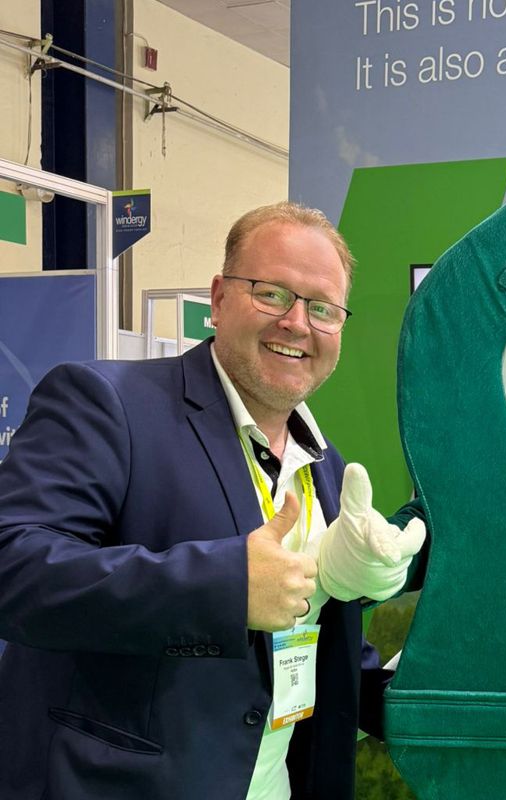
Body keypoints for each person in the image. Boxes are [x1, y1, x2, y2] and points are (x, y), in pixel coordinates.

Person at [0, 202, 424, 799]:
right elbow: (14, 567)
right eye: (273, 293)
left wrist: (400, 687)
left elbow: (301, 641)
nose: (297, 323)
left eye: (323, 308)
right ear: (220, 298)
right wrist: (225, 587)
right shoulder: (107, 403)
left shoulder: (325, 464)